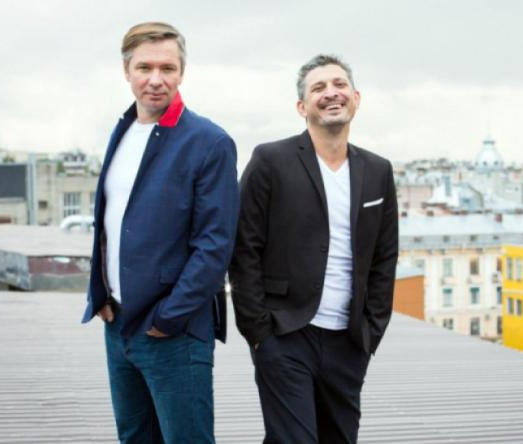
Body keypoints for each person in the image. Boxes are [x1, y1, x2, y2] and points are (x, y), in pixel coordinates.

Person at [81, 22, 239, 443]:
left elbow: (215, 245)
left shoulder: (209, 142)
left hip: (173, 332)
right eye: (144, 67)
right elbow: (111, 221)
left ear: (181, 72)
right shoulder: (122, 131)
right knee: (134, 438)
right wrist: (100, 293)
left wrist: (168, 318)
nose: (155, 79)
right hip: (118, 326)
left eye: (167, 68)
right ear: (126, 71)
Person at [229, 54, 399, 444]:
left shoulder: (378, 170)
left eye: (339, 84)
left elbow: (385, 256)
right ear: (302, 107)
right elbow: (244, 247)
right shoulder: (270, 160)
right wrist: (259, 332)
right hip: (284, 333)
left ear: (356, 98)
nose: (331, 93)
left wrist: (371, 331)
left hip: (349, 341)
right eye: (318, 88)